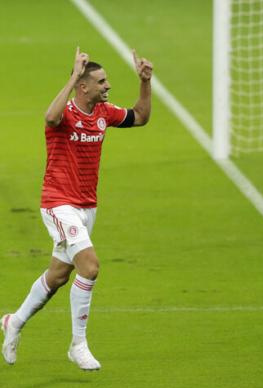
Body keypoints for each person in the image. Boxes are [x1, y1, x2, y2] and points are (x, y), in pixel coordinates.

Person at [1, 47, 153, 371]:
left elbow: (140, 116)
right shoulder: (65, 115)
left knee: (57, 277)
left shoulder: (104, 113)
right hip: (58, 203)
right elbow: (50, 117)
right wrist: (73, 75)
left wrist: (145, 82)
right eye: (101, 82)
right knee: (90, 266)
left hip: (87, 209)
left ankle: (14, 321)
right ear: (83, 87)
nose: (107, 86)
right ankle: (78, 344)